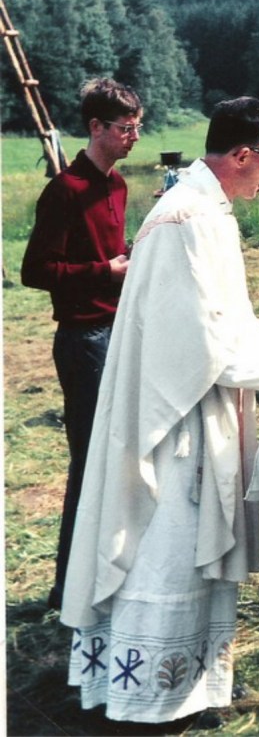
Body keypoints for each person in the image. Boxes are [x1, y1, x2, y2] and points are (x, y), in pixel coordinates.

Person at [61, 97, 259, 727]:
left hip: (182, 399)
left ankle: (177, 685)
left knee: (177, 546)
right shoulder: (192, 218)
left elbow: (213, 318)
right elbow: (204, 348)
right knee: (166, 544)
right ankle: (154, 698)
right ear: (241, 156)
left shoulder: (199, 206)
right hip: (174, 419)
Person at [21, 76, 143, 611]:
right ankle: (66, 585)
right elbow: (35, 270)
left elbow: (111, 256)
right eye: (124, 129)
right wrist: (105, 271)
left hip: (117, 331)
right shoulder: (64, 190)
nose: (133, 137)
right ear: (95, 127)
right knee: (89, 461)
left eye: (138, 127)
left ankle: (104, 574)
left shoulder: (116, 186)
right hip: (82, 339)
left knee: (115, 458)